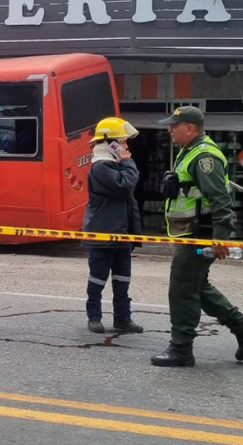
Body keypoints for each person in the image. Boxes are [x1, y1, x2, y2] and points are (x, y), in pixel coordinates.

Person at [150, 106, 243, 367]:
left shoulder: (205, 157)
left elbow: (220, 201)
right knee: (197, 287)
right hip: (191, 232)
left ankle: (181, 349)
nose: (169, 129)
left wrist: (220, 238)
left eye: (174, 125)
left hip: (199, 235)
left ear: (190, 128)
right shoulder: (189, 151)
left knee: (182, 289)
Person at [81, 117, 144, 334]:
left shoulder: (112, 165)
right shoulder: (101, 167)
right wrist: (127, 162)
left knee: (122, 280)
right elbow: (125, 186)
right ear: (112, 144)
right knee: (97, 280)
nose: (126, 147)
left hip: (121, 234)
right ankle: (94, 318)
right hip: (104, 234)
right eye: (123, 143)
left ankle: (122, 319)